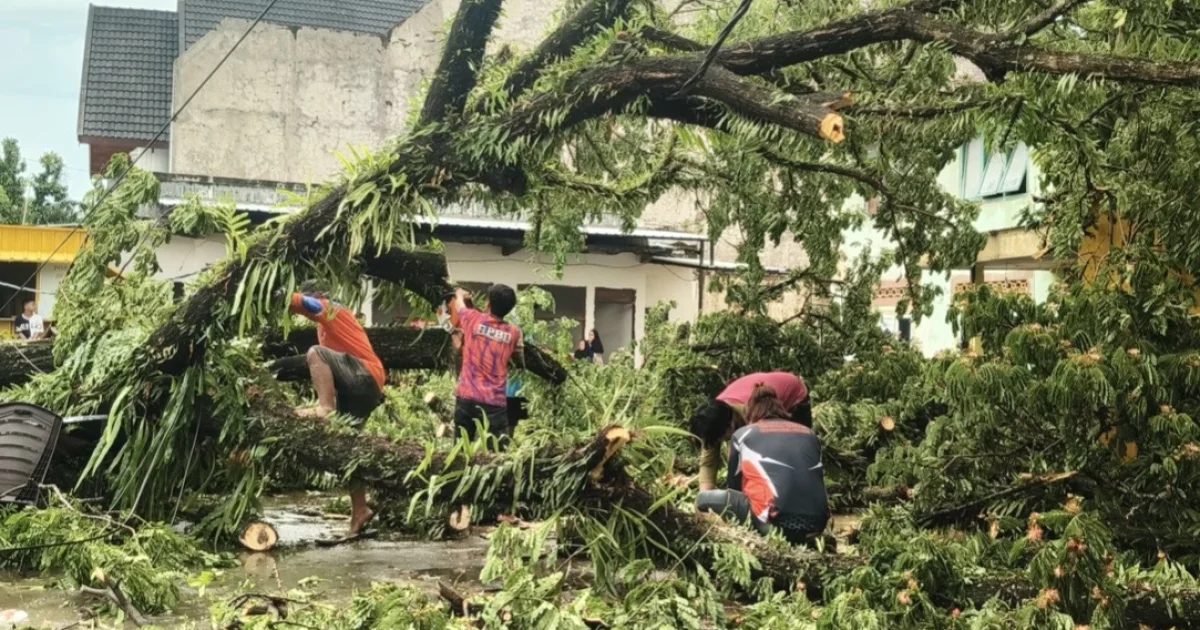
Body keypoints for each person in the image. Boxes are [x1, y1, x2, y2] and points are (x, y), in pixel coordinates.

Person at [288, 281, 385, 537]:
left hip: (364, 375)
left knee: (315, 352)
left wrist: (274, 294)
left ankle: (324, 407)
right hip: (362, 384)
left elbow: (302, 303)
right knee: (347, 449)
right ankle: (360, 508)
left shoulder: (332, 309)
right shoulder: (328, 324)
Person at [696, 384, 829, 544]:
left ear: (749, 412)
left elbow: (734, 491)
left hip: (773, 525)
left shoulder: (741, 435)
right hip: (816, 525)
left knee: (702, 499)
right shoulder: (809, 434)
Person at [690, 371, 810, 492]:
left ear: (730, 424)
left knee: (796, 455)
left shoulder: (757, 413)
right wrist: (704, 498)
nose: (721, 441)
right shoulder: (712, 418)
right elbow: (708, 464)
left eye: (722, 438)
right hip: (752, 393)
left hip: (794, 395)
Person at [452, 284, 524, 442]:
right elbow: (518, 358)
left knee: (461, 450)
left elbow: (459, 306)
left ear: (488, 303)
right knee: (496, 454)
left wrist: (459, 294)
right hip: (494, 402)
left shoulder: (472, 319)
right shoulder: (514, 333)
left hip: (467, 396)